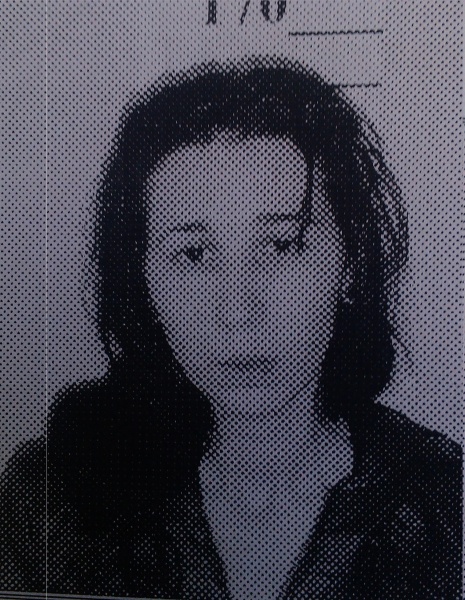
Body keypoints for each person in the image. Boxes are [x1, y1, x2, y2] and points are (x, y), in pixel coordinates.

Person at [0, 58, 461, 599]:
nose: (238, 311)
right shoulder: (49, 504)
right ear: (142, 280)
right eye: (194, 254)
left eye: (282, 246)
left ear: (350, 267)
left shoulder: (444, 505)